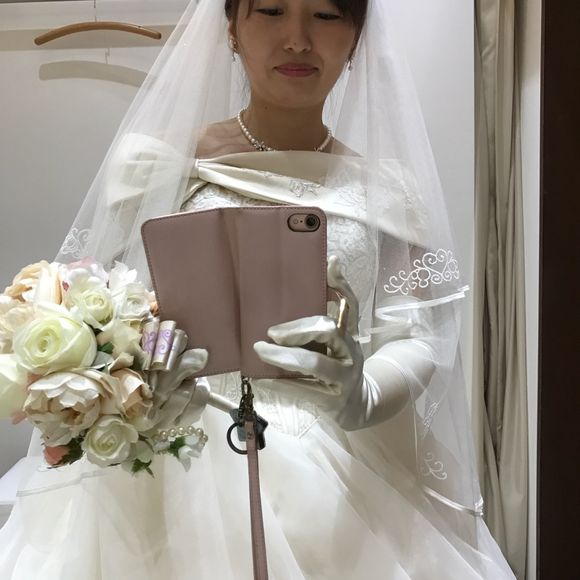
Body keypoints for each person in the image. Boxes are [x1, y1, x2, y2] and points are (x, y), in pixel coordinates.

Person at [0, 0, 516, 578]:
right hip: (170, 447)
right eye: (270, 10)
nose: (297, 39)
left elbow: (416, 333)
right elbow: (102, 299)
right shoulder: (158, 163)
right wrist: (135, 373)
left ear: (356, 37)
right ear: (232, 29)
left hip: (330, 454)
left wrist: (365, 392)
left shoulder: (386, 191)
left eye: (326, 16)